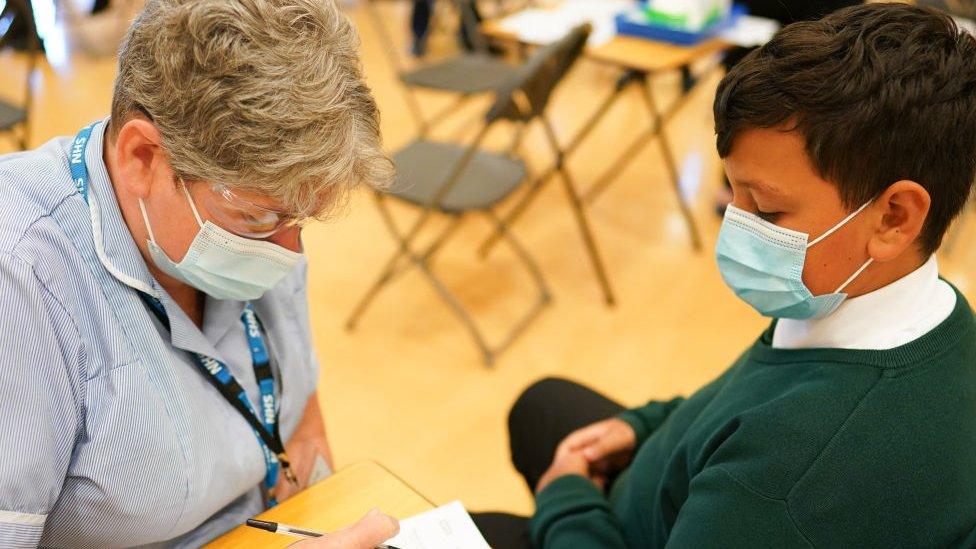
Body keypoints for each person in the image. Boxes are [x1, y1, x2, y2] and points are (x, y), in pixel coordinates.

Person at [474, 4, 976, 547]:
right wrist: (645, 427)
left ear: (894, 217)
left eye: (766, 211)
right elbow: (742, 399)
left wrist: (565, 501)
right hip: (689, 478)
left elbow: (763, 447)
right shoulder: (881, 302)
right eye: (730, 193)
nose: (736, 227)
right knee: (543, 404)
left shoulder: (787, 480)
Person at [0, 0, 399, 547]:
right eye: (260, 218)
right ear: (143, 158)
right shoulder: (21, 276)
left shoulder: (256, 216)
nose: (290, 253)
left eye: (300, 220)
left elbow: (298, 415)